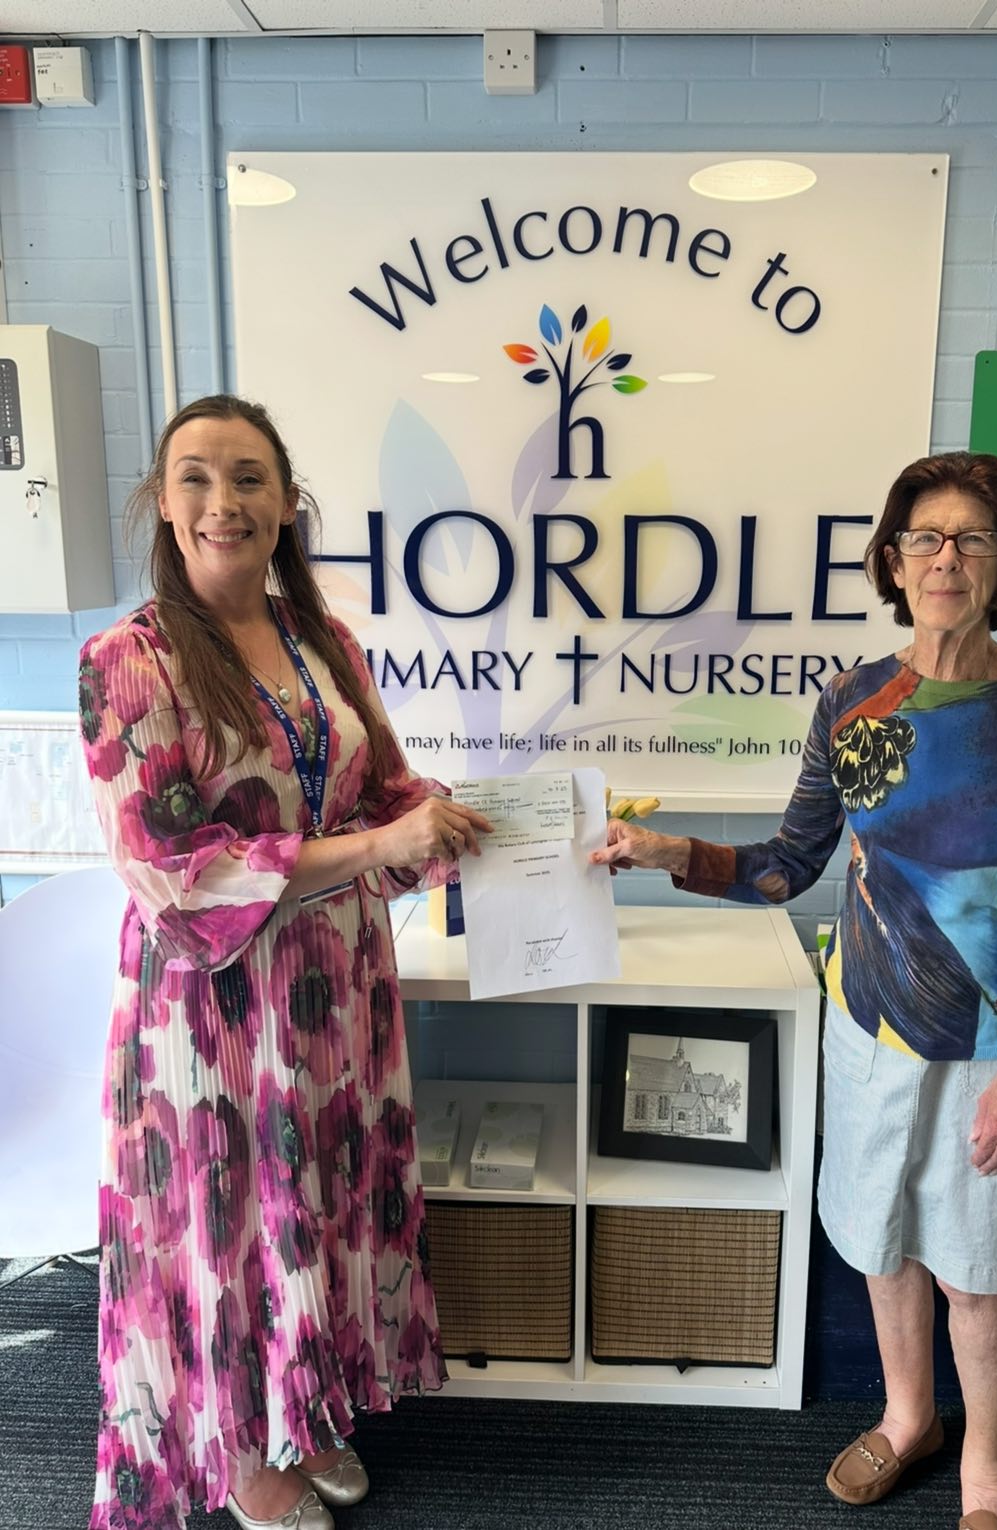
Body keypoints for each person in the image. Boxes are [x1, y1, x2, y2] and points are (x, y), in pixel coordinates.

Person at [591, 451, 997, 1530]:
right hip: (870, 1029)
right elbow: (790, 865)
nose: (946, 558)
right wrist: (665, 851)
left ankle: (986, 1469)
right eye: (925, 537)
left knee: (975, 1274)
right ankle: (908, 1417)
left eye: (973, 537)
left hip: (994, 1049)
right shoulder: (851, 700)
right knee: (881, 1246)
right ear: (893, 561)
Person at [79, 394, 491, 1530]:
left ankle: (300, 1411)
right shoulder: (127, 661)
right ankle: (240, 1455)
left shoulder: (325, 643)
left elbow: (387, 792)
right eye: (197, 477)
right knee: (233, 1226)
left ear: (287, 504)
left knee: (318, 1202)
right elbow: (170, 872)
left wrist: (488, 827)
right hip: (210, 1012)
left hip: (334, 991)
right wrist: (377, 849)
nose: (225, 502)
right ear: (164, 504)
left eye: (250, 477)